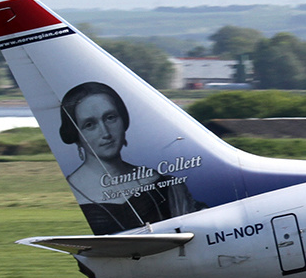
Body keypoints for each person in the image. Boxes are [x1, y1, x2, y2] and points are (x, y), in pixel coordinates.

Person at [58, 82, 202, 234]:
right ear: (76, 135)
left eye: (110, 118)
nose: (105, 133)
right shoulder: (74, 194)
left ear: (123, 120)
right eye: (89, 125)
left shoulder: (164, 184)